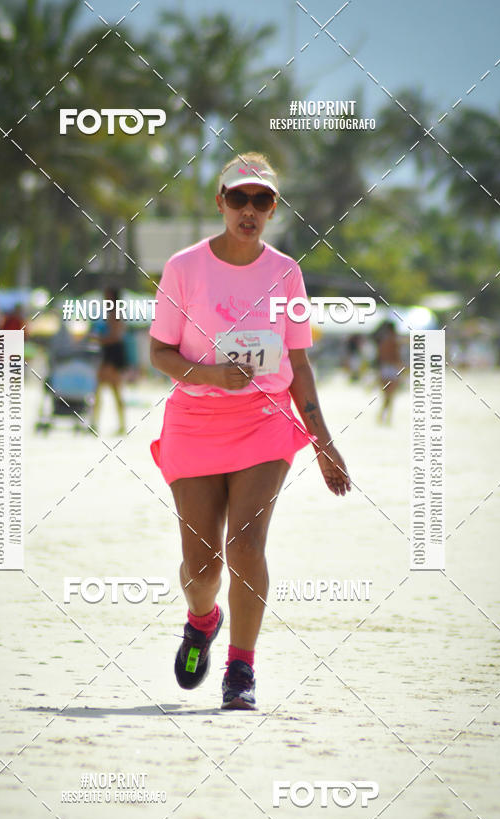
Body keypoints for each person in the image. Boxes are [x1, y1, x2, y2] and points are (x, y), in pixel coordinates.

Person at [149, 152, 351, 710]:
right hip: (195, 421)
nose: (249, 209)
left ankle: (241, 670)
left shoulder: (286, 272)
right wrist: (211, 374)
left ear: (273, 209)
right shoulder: (184, 267)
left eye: (261, 200)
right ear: (221, 202)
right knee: (202, 566)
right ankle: (201, 620)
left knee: (246, 545)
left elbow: (300, 364)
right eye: (238, 197)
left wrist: (325, 445)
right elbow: (159, 351)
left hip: (264, 422)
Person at [91, 287, 127, 434]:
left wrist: (97, 339)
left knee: (103, 390)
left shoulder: (115, 314)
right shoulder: (114, 313)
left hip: (112, 354)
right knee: (111, 391)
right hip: (112, 354)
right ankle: (118, 424)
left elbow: (115, 337)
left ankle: (96, 423)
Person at [377, 321, 403, 424]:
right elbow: (395, 357)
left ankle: (383, 416)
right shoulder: (394, 341)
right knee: (390, 395)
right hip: (391, 368)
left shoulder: (383, 341)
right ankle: (387, 417)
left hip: (384, 368)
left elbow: (381, 357)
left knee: (386, 395)